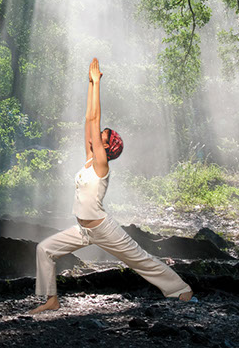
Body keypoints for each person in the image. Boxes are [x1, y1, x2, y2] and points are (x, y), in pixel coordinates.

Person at [29, 58, 194, 314]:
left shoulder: (101, 165)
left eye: (103, 136)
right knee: (45, 249)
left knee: (139, 259)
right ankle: (51, 299)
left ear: (106, 147)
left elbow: (94, 121)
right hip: (83, 230)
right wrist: (90, 85)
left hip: (103, 229)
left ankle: (182, 290)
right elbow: (89, 120)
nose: (98, 135)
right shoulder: (89, 160)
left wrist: (97, 83)